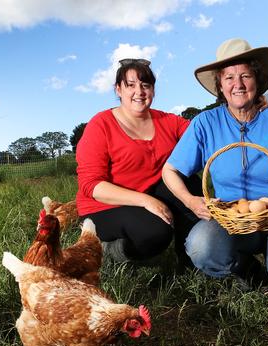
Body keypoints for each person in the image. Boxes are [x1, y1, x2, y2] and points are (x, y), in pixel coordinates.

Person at [162, 38, 268, 304]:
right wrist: (191, 201)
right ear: (220, 85)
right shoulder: (205, 123)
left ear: (256, 80)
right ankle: (247, 269)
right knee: (201, 246)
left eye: (245, 75)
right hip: (235, 221)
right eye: (229, 77)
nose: (237, 84)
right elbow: (170, 171)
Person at [75, 58, 200, 267]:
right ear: (118, 90)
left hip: (148, 192)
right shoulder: (101, 125)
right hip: (104, 206)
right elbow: (91, 185)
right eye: (130, 85)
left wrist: (251, 109)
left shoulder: (167, 121)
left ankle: (189, 260)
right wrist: (146, 201)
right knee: (155, 231)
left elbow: (205, 134)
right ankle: (111, 251)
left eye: (145, 85)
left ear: (153, 89)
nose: (139, 91)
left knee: (190, 184)